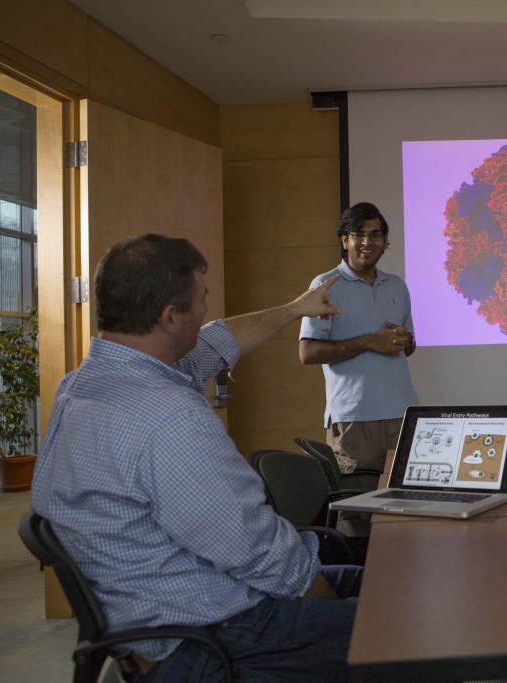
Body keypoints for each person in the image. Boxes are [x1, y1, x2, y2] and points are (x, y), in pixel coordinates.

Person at [32, 233, 359, 682]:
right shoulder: (166, 415)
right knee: (415, 630)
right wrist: (329, 610)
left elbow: (213, 343)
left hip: (167, 609)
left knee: (382, 586)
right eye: (202, 300)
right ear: (169, 317)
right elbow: (259, 550)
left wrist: (295, 307)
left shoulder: (85, 385)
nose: (208, 311)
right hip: (210, 635)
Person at [299, 202, 418, 472]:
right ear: (344, 239)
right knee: (356, 506)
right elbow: (307, 353)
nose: (368, 241)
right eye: (359, 234)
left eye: (375, 234)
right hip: (354, 419)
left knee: (408, 503)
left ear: (385, 241)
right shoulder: (325, 284)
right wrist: (368, 341)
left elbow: (409, 346)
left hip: (403, 415)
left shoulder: (397, 285)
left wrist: (405, 341)